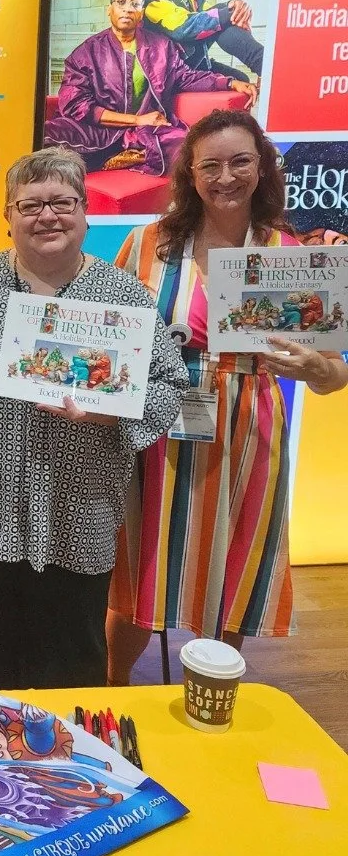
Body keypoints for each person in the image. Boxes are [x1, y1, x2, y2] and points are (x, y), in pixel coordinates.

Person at [0, 148, 188, 690]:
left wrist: (113, 413)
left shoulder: (123, 297)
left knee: (66, 672)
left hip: (72, 515)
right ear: (8, 215)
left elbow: (168, 387)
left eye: (62, 202)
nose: (47, 216)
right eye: (30, 204)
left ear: (85, 211)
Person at [107, 111, 348, 683]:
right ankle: (114, 687)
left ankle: (214, 689)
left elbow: (333, 375)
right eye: (209, 165)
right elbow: (112, 334)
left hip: (249, 427)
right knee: (147, 564)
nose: (225, 177)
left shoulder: (289, 252)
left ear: (262, 167)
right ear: (190, 174)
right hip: (159, 424)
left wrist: (314, 364)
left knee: (236, 559)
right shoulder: (148, 244)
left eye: (240, 161)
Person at [43, 0, 257, 176]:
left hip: (148, 132)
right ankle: (121, 155)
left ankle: (128, 155)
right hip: (98, 130)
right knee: (43, 136)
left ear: (142, 12)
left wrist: (229, 82)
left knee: (191, 151)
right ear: (109, 9)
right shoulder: (85, 53)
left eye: (135, 4)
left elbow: (186, 76)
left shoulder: (161, 47)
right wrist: (136, 119)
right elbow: (75, 104)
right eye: (121, 2)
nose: (128, 9)